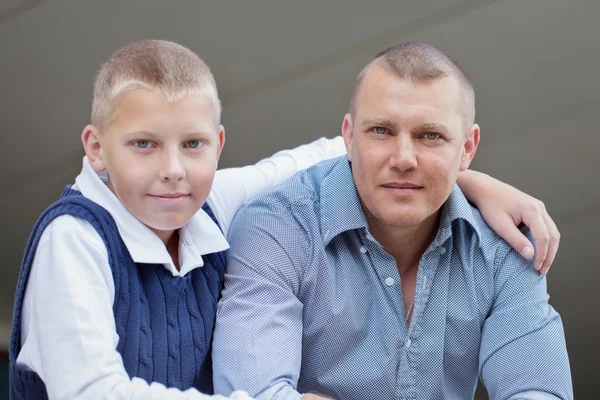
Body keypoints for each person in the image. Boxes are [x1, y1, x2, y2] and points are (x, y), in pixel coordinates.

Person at [9, 39, 559, 399]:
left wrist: (465, 180)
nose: (173, 170)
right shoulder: (74, 238)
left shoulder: (204, 204)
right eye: (143, 144)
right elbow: (89, 391)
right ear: (96, 149)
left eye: (193, 144)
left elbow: (327, 156)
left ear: (217, 146)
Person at [212, 42, 572, 400]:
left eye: (430, 135)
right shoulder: (278, 228)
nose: (403, 159)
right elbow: (255, 394)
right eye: (381, 131)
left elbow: (538, 392)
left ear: (467, 148)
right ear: (349, 136)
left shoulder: (504, 246)